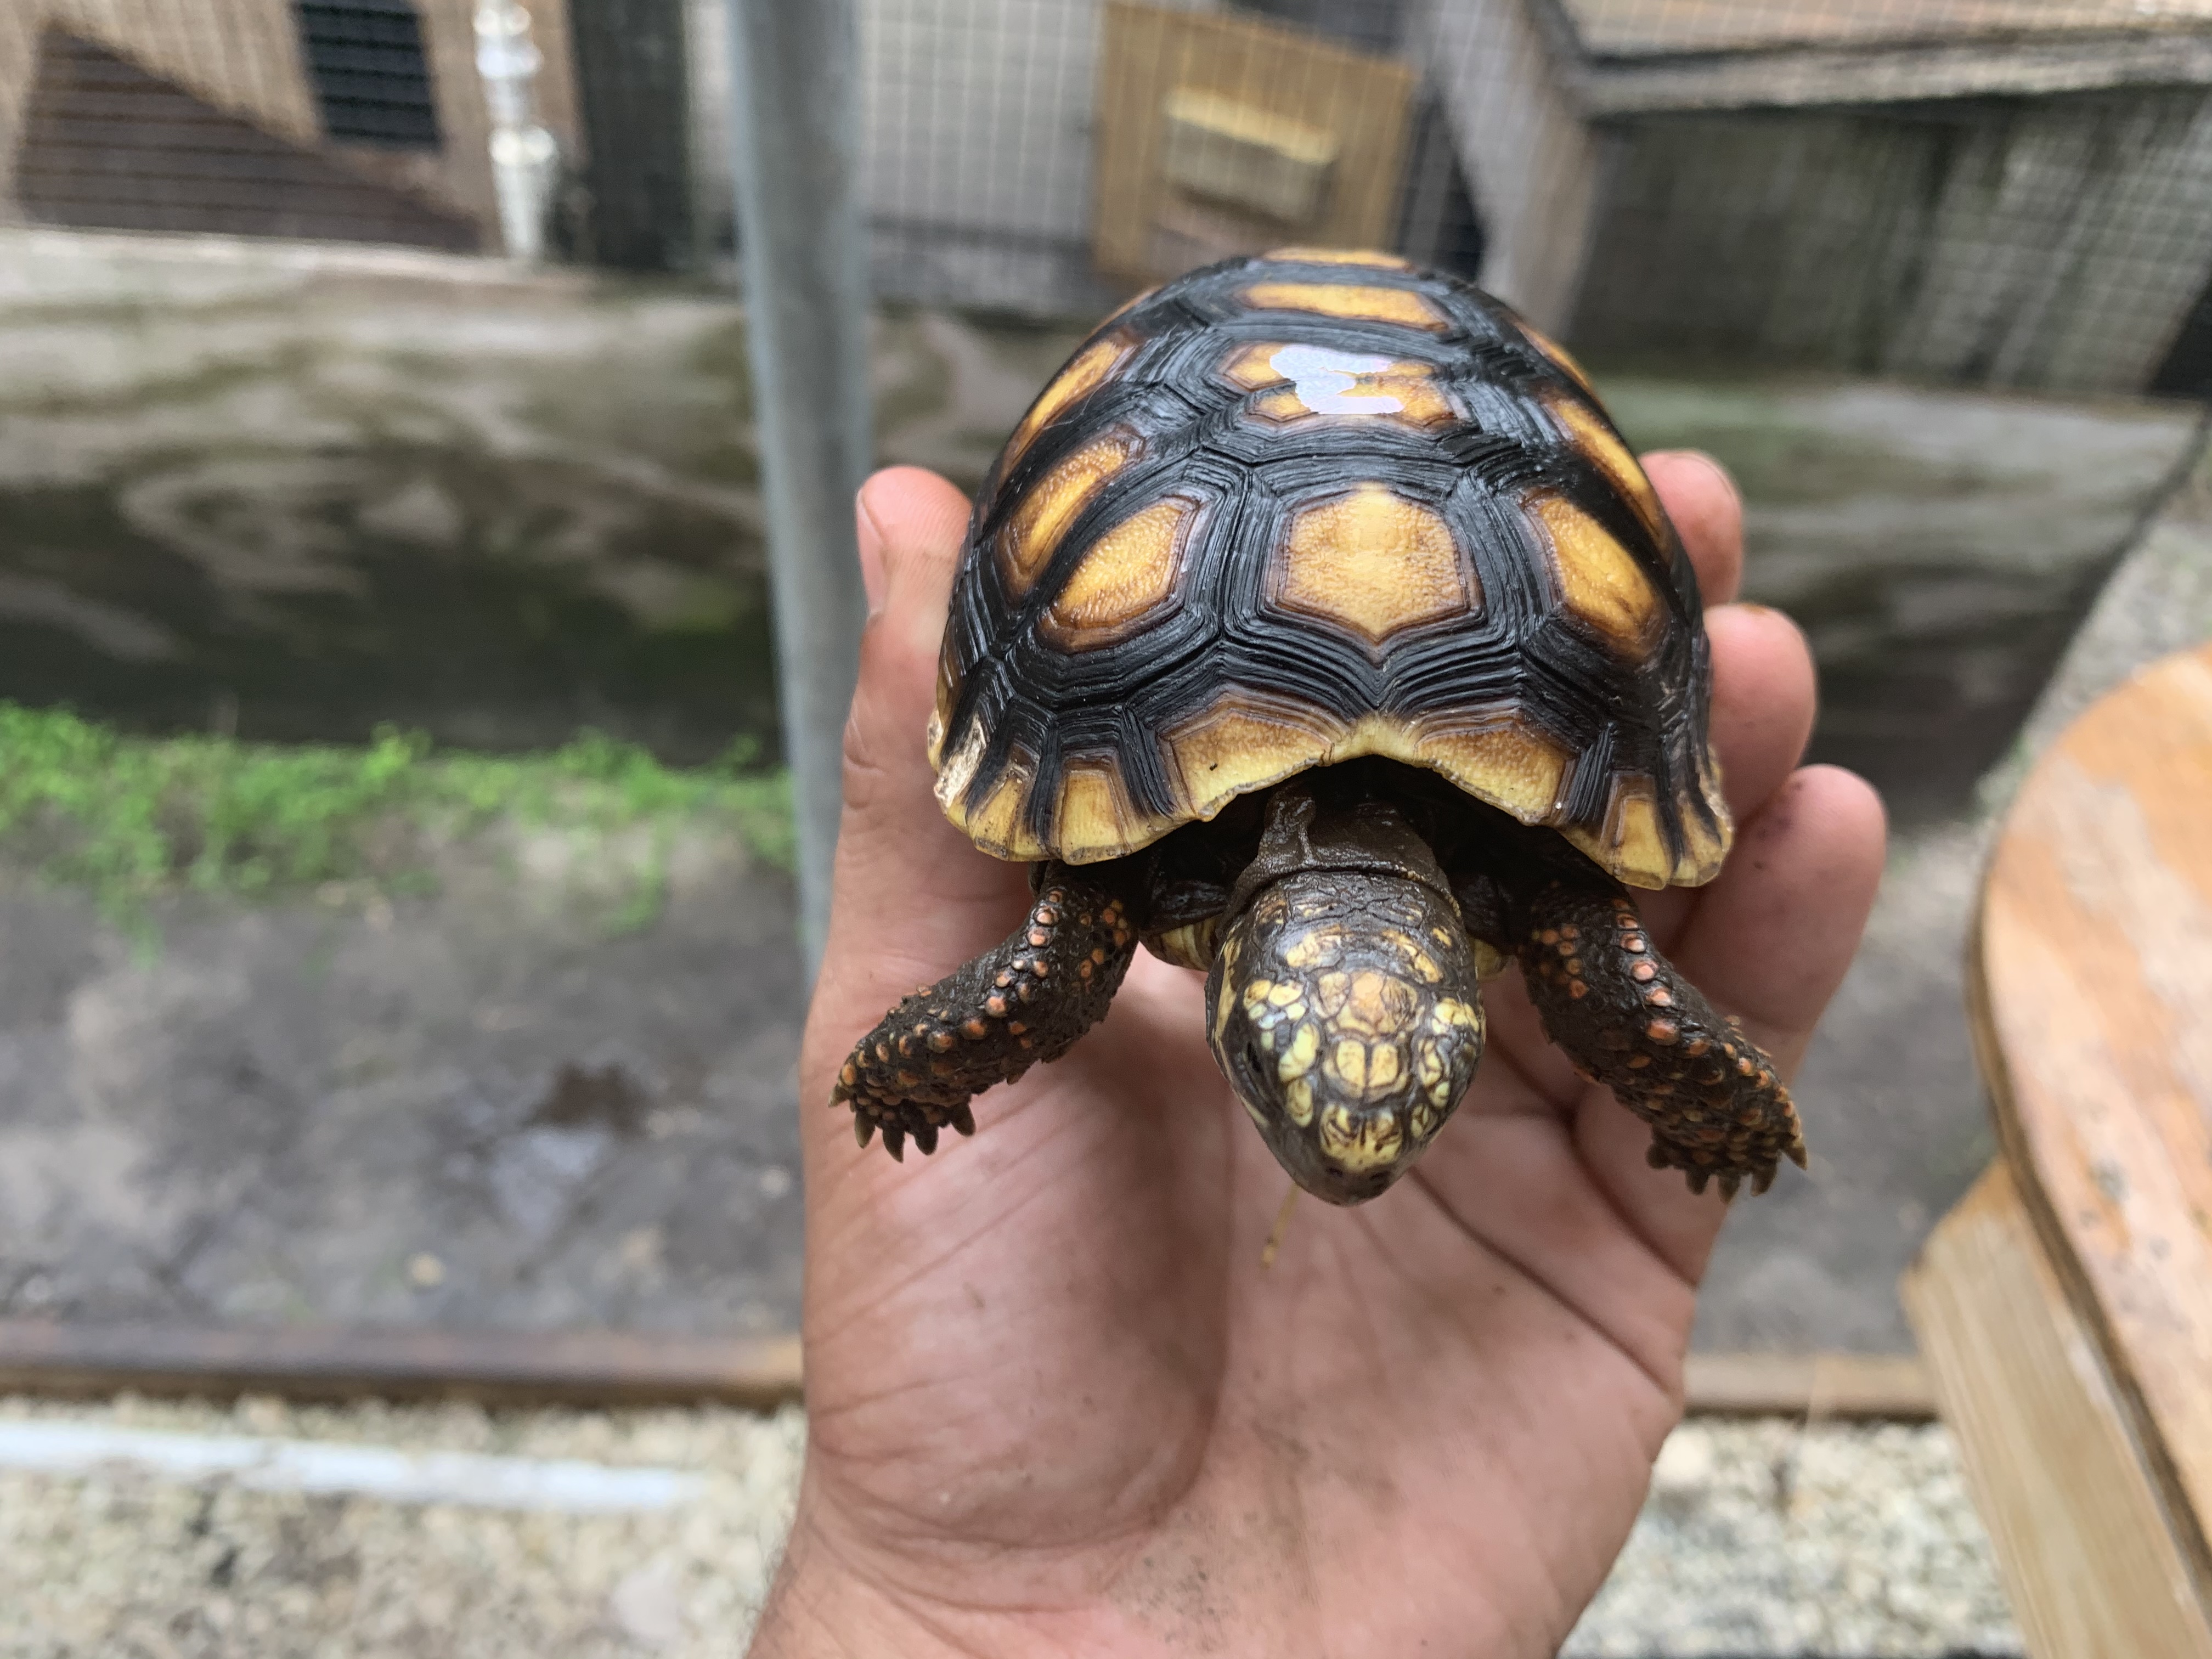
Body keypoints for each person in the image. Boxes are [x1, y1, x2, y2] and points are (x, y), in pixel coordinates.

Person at [749, 455, 1887, 1657]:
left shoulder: (1504, 891)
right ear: (1232, 999)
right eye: (1272, 1063)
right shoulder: (1537, 896)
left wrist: (1705, 1091)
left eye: (1433, 1083)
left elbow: (1615, 974)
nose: (1351, 1160)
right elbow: (1606, 964)